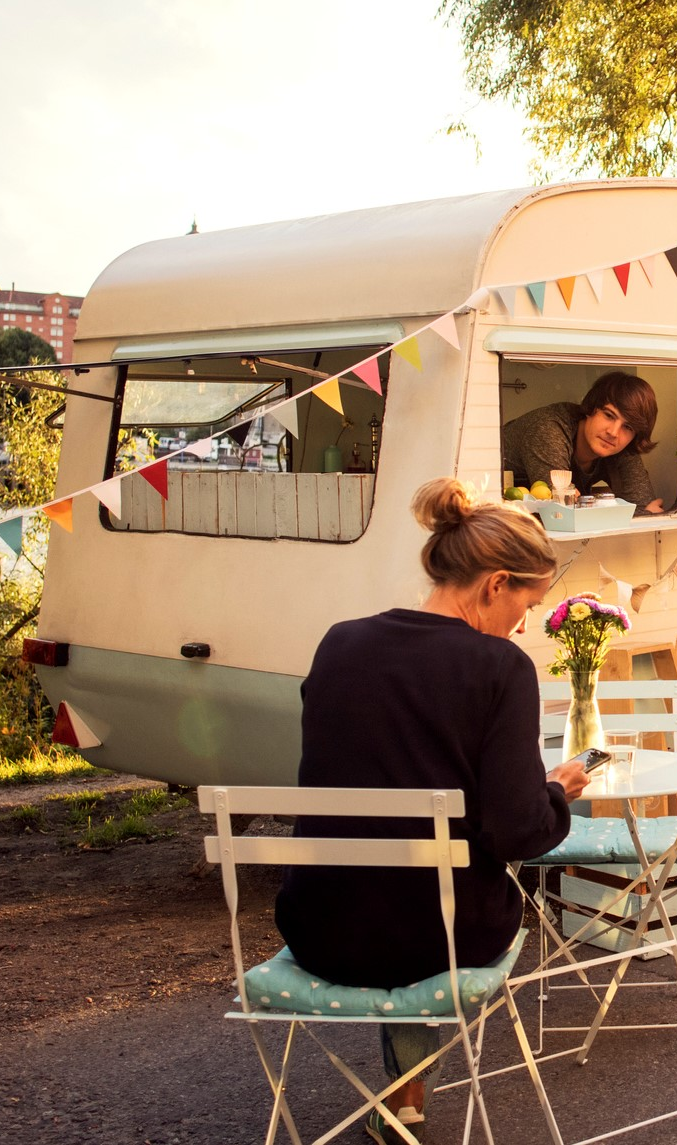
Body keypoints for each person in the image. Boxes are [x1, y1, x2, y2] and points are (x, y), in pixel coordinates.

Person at [273, 478, 592, 1139]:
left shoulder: (339, 642)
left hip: (320, 929)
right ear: (494, 583)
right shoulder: (499, 667)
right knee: (439, 896)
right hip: (443, 937)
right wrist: (555, 793)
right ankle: (404, 1100)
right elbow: (515, 832)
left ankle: (403, 1097)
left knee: (406, 883)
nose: (525, 622)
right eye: (527, 603)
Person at [503, 372, 668, 512]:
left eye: (628, 427)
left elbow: (645, 506)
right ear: (591, 408)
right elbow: (563, 511)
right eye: (609, 416)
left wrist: (641, 513)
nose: (613, 432)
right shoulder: (548, 429)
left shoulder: (621, 446)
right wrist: (639, 514)